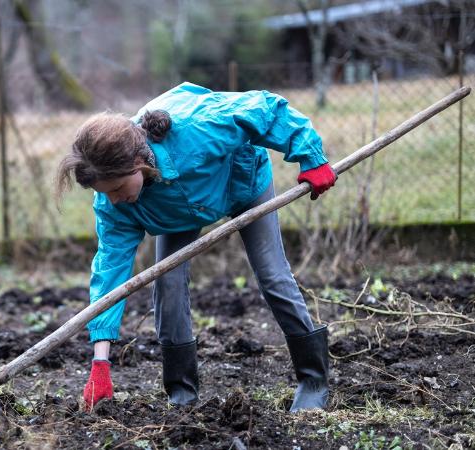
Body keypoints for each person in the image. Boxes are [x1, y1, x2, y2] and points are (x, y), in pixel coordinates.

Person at [54, 82, 336, 412]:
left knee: (272, 275)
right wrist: (100, 363)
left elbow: (267, 109)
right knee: (168, 286)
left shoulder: (196, 128)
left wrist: (310, 156)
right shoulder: (114, 203)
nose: (114, 198)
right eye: (107, 193)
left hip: (242, 183)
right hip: (175, 214)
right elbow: (110, 275)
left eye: (117, 187)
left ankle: (313, 380)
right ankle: (182, 393)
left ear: (138, 162)